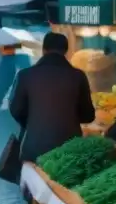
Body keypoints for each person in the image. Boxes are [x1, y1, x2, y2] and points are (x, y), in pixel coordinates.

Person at [9, 32, 96, 164]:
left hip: (34, 147)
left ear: (44, 49)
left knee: (33, 183)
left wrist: (34, 122)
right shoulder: (78, 76)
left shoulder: (25, 75)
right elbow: (88, 116)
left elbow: (15, 110)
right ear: (66, 51)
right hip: (69, 149)